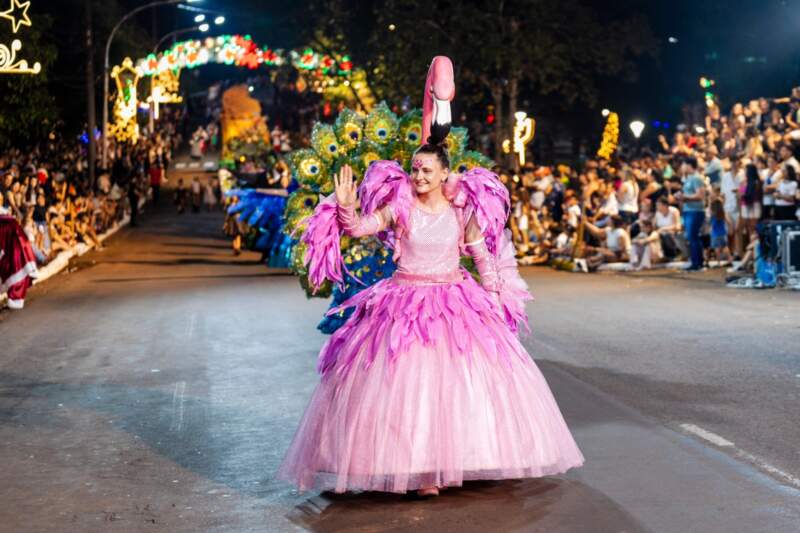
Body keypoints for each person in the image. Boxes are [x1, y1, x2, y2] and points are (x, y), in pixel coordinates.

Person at [277, 117, 584, 496]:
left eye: (426, 170)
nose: (419, 176)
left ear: (444, 174)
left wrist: (494, 299)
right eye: (415, 169)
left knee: (456, 385)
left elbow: (482, 258)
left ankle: (448, 463)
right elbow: (359, 228)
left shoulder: (461, 211)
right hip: (403, 306)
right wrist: (345, 208)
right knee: (405, 387)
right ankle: (417, 470)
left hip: (455, 305)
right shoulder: (400, 208)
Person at [677, 157, 707, 271]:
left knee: (693, 236)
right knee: (692, 237)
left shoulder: (697, 178)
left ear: (689, 165)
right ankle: (696, 261)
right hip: (688, 210)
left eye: (684, 164)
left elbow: (700, 195)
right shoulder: (688, 178)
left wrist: (684, 197)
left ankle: (697, 263)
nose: (682, 167)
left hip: (695, 211)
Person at [708, 197, 731, 262]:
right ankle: (730, 258)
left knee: (716, 248)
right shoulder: (723, 214)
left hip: (715, 234)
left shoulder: (713, 215)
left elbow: (711, 225)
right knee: (725, 247)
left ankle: (718, 262)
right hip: (723, 234)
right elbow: (729, 222)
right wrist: (730, 229)